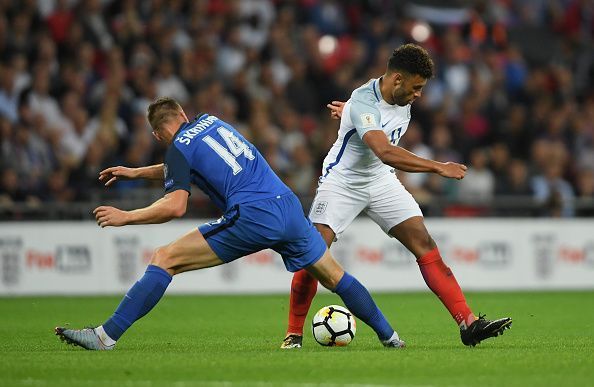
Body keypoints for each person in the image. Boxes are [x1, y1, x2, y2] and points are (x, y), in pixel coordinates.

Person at [55, 97, 405, 350]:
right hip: (286, 206)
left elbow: (175, 206)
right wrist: (135, 173)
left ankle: (104, 337)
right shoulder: (212, 122)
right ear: (182, 114)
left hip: (252, 215)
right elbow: (192, 164)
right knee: (335, 276)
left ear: (159, 137)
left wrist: (127, 217)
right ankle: (391, 337)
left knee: (164, 258)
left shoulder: (177, 148)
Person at [280, 44, 512, 349]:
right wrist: (438, 167)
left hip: (379, 180)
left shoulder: (392, 97)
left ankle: (468, 323)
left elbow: (378, 137)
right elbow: (385, 151)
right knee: (314, 254)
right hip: (342, 182)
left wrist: (348, 113)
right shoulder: (364, 101)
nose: (418, 95)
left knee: (424, 242)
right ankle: (293, 335)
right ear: (398, 79)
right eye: (416, 88)